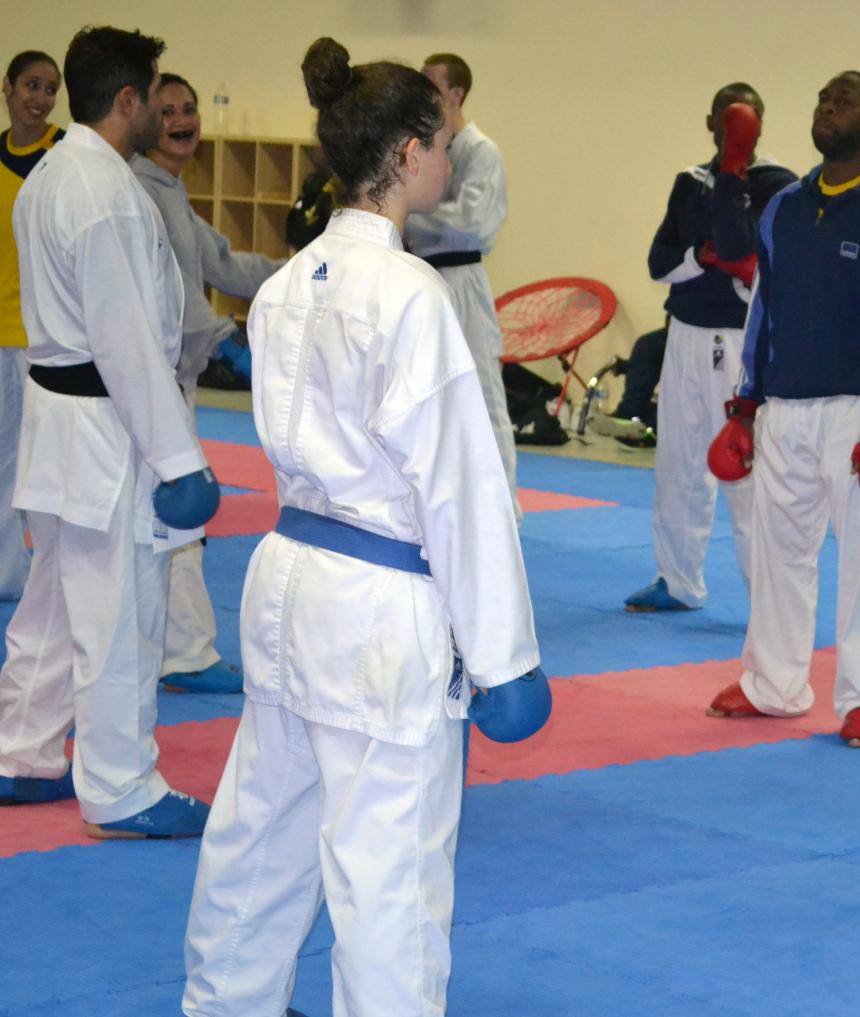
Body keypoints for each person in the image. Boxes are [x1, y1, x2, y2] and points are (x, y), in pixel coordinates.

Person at [183, 39, 550, 1017]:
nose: (448, 153)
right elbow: (460, 493)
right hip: (379, 607)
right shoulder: (408, 298)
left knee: (262, 833)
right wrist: (504, 656)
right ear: (406, 152)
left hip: (288, 578)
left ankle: (224, 1004)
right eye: (438, 139)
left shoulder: (283, 287)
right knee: (386, 869)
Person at [0, 26, 216, 837]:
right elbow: (127, 342)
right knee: (122, 609)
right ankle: (123, 786)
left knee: (54, 603)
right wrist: (179, 458)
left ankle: (23, 751)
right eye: (154, 101)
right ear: (126, 100)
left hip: (57, 422)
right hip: (109, 428)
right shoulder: (106, 194)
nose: (163, 116)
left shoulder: (53, 174)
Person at [705, 71, 860, 750]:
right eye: (822, 98)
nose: (828, 107)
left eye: (845, 101)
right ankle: (773, 681)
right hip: (782, 404)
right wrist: (745, 405)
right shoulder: (782, 206)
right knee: (778, 550)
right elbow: (764, 310)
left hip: (858, 409)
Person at [132, 72, 280, 695]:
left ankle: (170, 649)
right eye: (166, 111)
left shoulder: (168, 190)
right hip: (155, 382)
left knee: (163, 525)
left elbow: (222, 263)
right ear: (141, 120)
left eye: (188, 109)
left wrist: (305, 273)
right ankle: (185, 654)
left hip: (168, 380)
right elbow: (185, 300)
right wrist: (227, 342)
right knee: (179, 520)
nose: (181, 120)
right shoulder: (144, 190)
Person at [624, 83, 797, 612]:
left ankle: (766, 598)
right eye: (726, 122)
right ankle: (677, 581)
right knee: (677, 460)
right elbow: (660, 262)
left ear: (760, 125)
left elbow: (748, 252)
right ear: (710, 124)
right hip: (683, 332)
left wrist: (734, 176)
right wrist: (702, 256)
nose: (734, 131)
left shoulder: (780, 186)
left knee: (743, 468)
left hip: (740, 340)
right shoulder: (688, 182)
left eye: (745, 122)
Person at [404, 52, 521, 522]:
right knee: (425, 392)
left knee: (483, 394)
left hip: (462, 279)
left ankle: (504, 508)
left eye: (432, 85)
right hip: (422, 276)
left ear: (455, 94)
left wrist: (410, 211)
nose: (424, 93)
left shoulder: (480, 151)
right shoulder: (427, 145)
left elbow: (472, 222)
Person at [0, 50, 63, 600]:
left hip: (37, 337)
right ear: (8, 87)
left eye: (50, 88)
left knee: (30, 466)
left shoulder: (62, 153)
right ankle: (5, 573)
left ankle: (33, 574)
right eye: (31, 85)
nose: (39, 98)